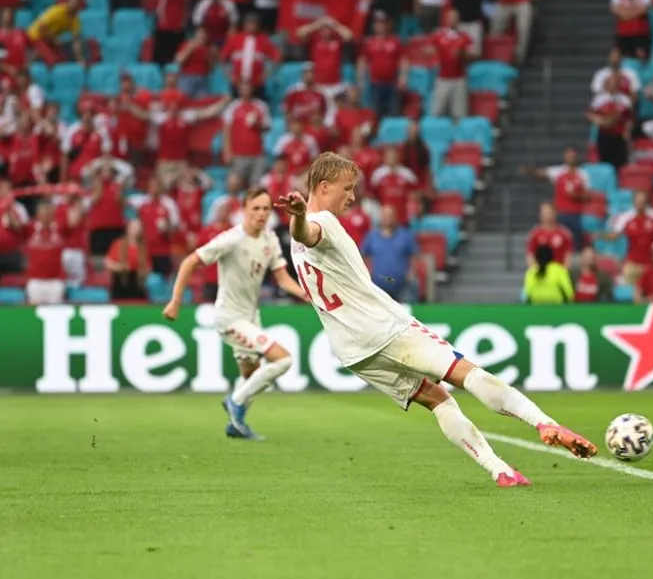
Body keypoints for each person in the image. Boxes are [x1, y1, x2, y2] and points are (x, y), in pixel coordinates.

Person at [276, 152, 597, 487]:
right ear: (323, 187)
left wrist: (297, 218)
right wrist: (300, 217)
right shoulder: (323, 222)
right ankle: (544, 423)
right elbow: (308, 232)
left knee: (437, 399)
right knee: (467, 374)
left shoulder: (298, 237)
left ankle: (499, 469)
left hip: (352, 350)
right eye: (347, 188)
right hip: (386, 328)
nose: (353, 197)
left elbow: (301, 234)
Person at [163, 187, 308, 440]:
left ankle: (236, 424)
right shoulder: (231, 239)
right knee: (283, 360)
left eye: (265, 209)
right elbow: (190, 261)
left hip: (251, 317)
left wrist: (306, 294)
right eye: (255, 208)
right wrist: (175, 301)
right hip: (230, 318)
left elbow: (282, 278)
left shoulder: (270, 239)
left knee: (251, 375)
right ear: (244, 210)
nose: (261, 214)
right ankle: (235, 401)